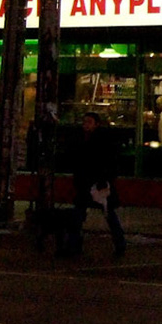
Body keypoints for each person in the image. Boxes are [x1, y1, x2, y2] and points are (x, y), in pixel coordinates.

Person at [68, 111, 126, 259]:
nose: (85, 125)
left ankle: (120, 243)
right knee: (79, 214)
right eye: (84, 122)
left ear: (96, 124)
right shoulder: (83, 139)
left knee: (108, 214)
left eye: (89, 122)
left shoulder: (102, 141)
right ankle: (74, 244)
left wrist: (104, 180)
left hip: (98, 184)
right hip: (86, 183)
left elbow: (109, 162)